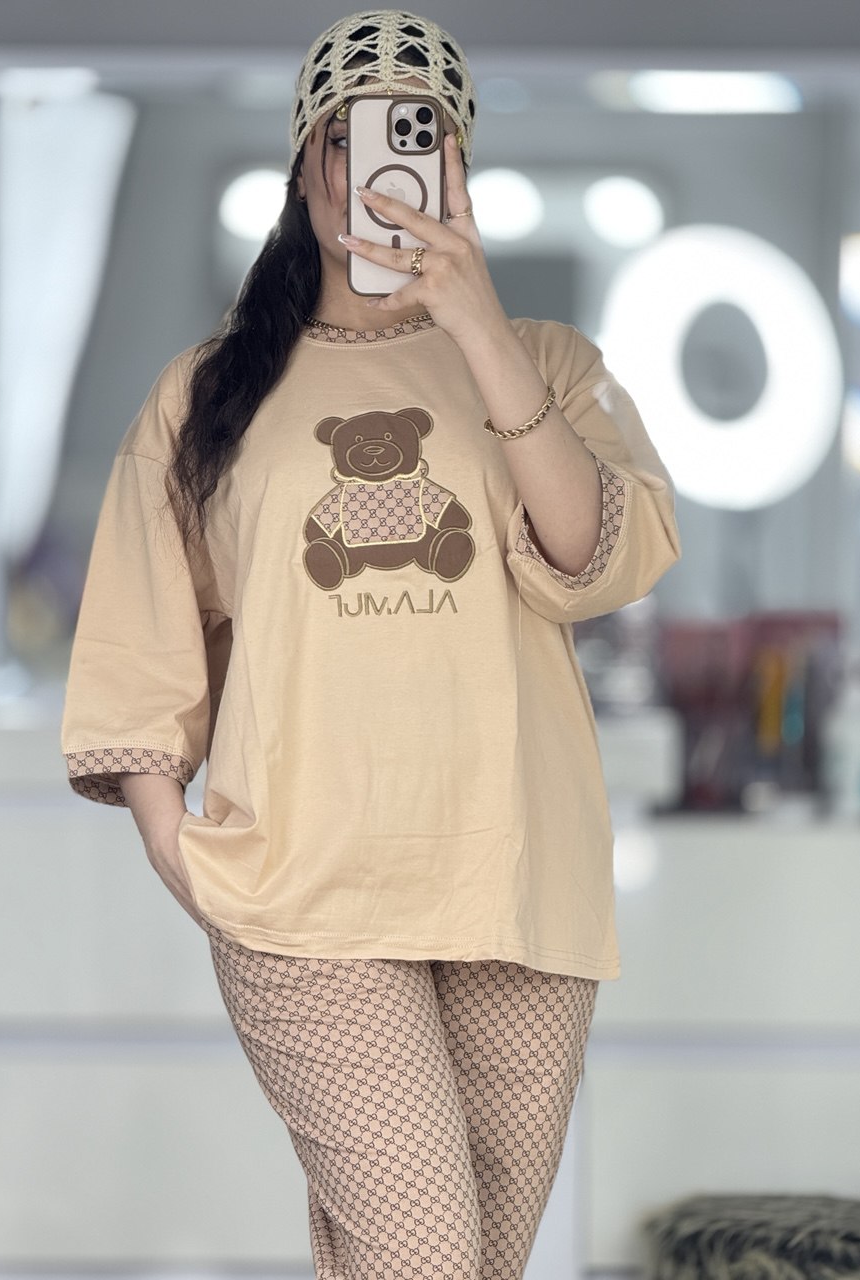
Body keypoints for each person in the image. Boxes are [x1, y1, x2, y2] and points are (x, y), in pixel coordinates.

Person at [62, 9, 681, 1278]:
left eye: (418, 135)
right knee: (432, 1260)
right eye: (347, 137)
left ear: (461, 165)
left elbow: (593, 559)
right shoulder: (208, 391)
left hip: (518, 884)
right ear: (305, 162)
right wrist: (175, 843)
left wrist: (480, 326)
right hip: (305, 893)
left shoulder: (550, 362)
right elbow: (138, 633)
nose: (376, 167)